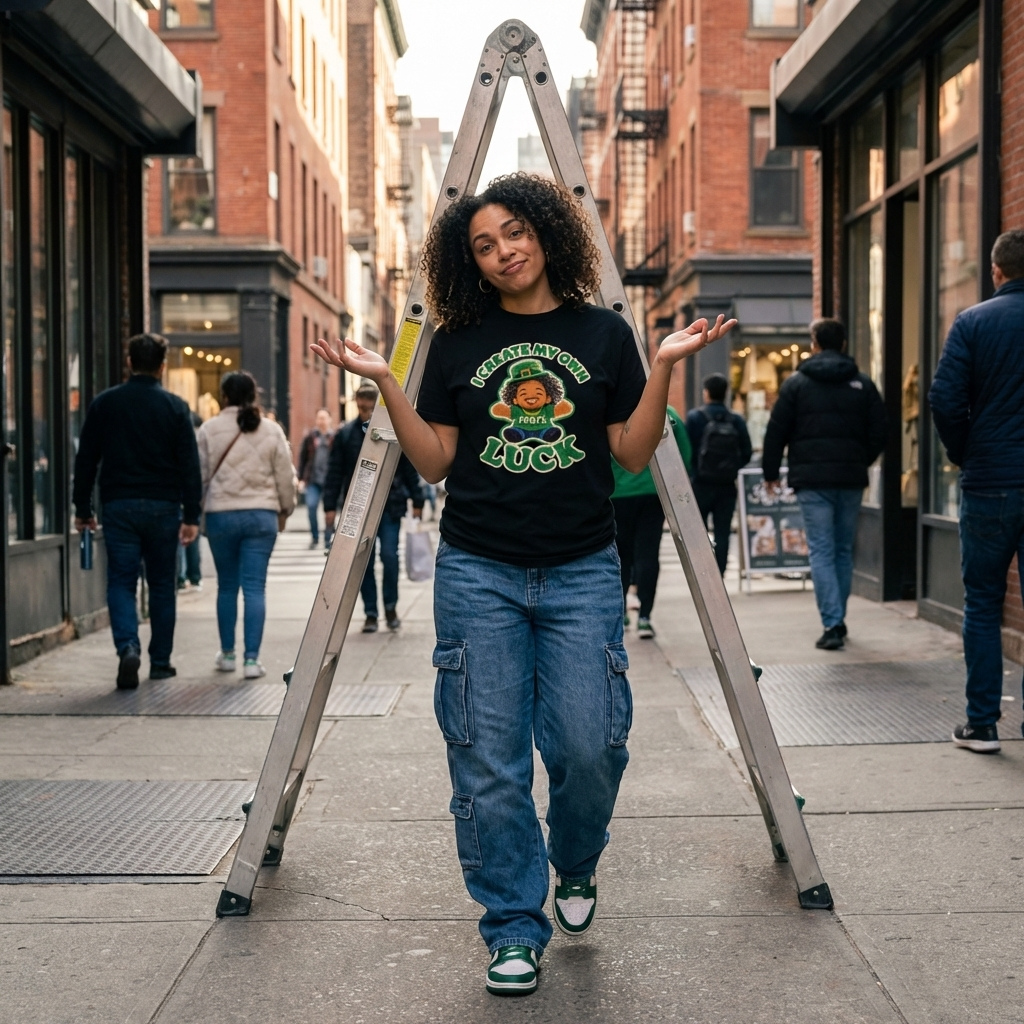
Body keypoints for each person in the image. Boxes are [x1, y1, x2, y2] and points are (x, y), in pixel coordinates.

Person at [311, 172, 734, 996]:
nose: (503, 252)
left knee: (590, 744)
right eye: (483, 245)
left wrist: (666, 369)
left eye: (514, 233)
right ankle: (511, 924)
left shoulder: (604, 334)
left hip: (581, 569)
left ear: (545, 232)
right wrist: (387, 381)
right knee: (487, 761)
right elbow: (435, 462)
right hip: (478, 571)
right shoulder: (457, 341)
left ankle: (575, 862)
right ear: (468, 263)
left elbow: (634, 455)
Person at [930, 229, 1024, 754]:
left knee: (984, 603)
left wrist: (966, 452)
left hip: (990, 483)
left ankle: (983, 724)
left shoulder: (973, 322)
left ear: (996, 271)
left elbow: (945, 399)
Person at [72, 333, 201, 690]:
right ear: (162, 365)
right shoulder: (176, 408)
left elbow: (86, 461)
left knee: (121, 581)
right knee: (162, 585)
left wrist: (82, 507)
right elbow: (189, 466)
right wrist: (192, 515)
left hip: (119, 506)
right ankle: (160, 662)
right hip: (163, 507)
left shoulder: (105, 404)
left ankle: (128, 646)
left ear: (129, 362)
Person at [762, 318, 885, 651]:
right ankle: (837, 617)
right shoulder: (862, 383)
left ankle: (833, 622)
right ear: (843, 344)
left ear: (814, 343)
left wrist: (770, 472)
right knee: (843, 549)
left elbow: (777, 431)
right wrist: (861, 459)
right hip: (849, 479)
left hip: (812, 481)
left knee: (821, 549)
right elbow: (879, 432)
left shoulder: (796, 384)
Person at [198, 371, 297, 679]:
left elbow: (199, 477)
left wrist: (197, 515)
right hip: (261, 516)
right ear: (254, 396)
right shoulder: (271, 430)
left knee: (226, 586)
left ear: (224, 396)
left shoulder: (207, 430)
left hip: (221, 516)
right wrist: (286, 509)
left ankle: (227, 654)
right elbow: (285, 477)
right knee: (255, 587)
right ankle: (251, 661)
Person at [322, 382, 425, 633]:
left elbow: (409, 466)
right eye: (361, 408)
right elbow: (335, 472)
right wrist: (329, 506)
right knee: (362, 562)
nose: (365, 413)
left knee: (390, 557)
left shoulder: (393, 431)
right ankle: (371, 612)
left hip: (390, 505)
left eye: (369, 408)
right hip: (358, 507)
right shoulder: (347, 434)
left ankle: (389, 608)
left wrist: (418, 499)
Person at [612, 405, 692, 639]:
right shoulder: (668, 413)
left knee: (619, 556)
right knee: (648, 554)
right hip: (652, 492)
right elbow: (684, 455)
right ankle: (645, 616)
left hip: (617, 494)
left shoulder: (613, 409)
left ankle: (622, 611)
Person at [685, 373, 753, 576]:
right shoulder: (736, 420)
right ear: (726, 394)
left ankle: (705, 572)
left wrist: (695, 470)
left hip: (701, 483)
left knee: (700, 531)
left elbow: (687, 450)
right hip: (726, 485)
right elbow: (747, 451)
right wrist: (732, 468)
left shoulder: (696, 418)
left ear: (706, 393)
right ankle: (720, 571)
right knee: (723, 531)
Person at [298, 408, 334, 550]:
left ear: (329, 419)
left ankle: (328, 537)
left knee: (329, 510)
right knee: (311, 506)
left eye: (324, 418)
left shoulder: (335, 437)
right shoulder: (311, 437)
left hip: (330, 480)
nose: (321, 421)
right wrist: (301, 478)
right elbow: (303, 458)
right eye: (319, 418)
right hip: (313, 479)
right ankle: (314, 536)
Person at [178, 411, 204, 591]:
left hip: (175, 496)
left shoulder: (179, 438)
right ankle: (194, 576)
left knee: (179, 540)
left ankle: (181, 576)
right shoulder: (200, 438)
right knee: (193, 537)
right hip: (194, 497)